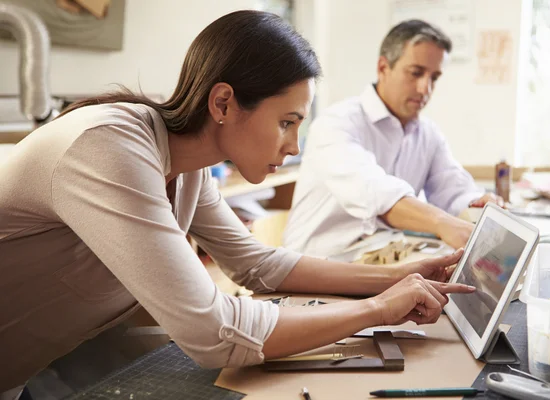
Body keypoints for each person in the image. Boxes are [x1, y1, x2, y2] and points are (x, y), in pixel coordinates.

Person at [0, 11, 475, 398]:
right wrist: (375, 310)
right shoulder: (110, 148)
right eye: (286, 122)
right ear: (224, 103)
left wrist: (399, 278)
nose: (293, 146)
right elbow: (213, 331)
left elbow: (258, 265)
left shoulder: (187, 166)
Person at [283, 19, 505, 259]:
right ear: (383, 67)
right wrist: (442, 223)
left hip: (379, 263)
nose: (425, 89)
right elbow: (375, 193)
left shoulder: (428, 135)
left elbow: (452, 191)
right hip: (313, 269)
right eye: (416, 73)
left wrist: (477, 203)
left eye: (434, 78)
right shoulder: (336, 123)